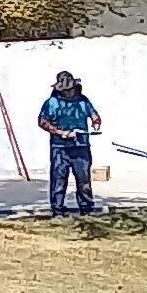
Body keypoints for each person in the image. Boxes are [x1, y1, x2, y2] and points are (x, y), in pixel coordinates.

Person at [37, 71, 104, 215]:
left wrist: (96, 123)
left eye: (71, 89)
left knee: (83, 180)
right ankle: (58, 211)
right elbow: (42, 122)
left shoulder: (83, 101)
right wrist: (61, 132)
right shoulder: (52, 103)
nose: (70, 92)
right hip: (60, 148)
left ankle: (87, 210)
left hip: (81, 147)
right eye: (66, 90)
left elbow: (94, 115)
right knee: (59, 180)